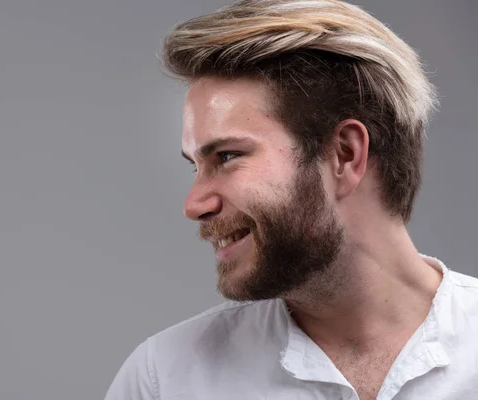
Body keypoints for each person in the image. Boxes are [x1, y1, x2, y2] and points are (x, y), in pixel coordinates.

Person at [105, 0, 478, 399]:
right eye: (194, 166)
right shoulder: (165, 379)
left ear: (345, 154)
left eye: (227, 157)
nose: (195, 204)